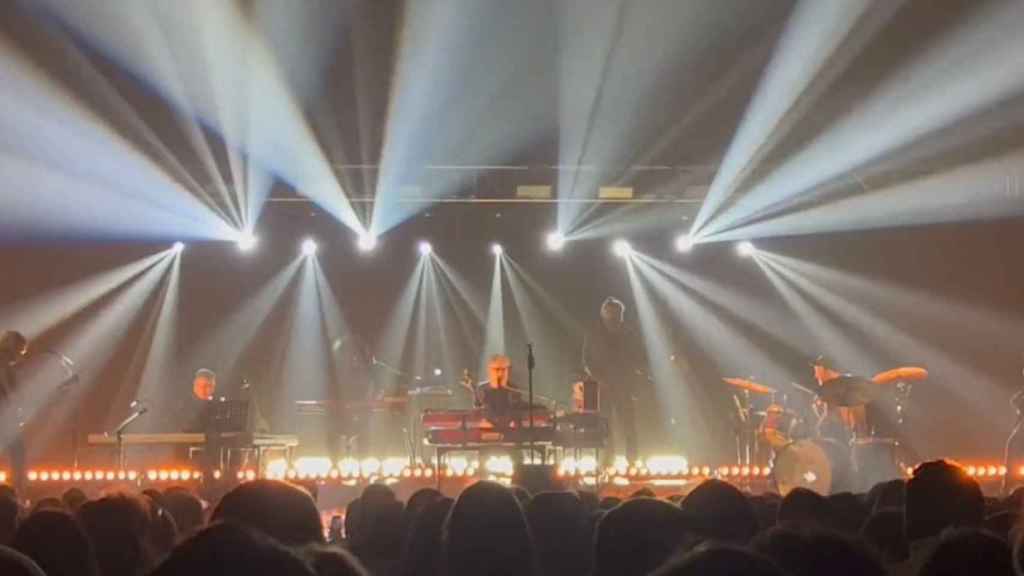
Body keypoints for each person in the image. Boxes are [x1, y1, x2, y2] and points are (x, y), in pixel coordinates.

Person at [582, 298, 645, 462]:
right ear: (603, 314)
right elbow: (586, 360)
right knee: (605, 423)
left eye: (616, 312)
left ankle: (632, 458)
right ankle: (607, 458)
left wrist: (634, 381)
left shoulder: (629, 333)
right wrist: (598, 379)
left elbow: (637, 358)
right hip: (603, 386)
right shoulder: (594, 334)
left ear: (621, 314)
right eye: (610, 312)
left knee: (628, 423)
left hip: (624, 385)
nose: (613, 316)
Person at [0, 331, 29, 494]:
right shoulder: (3, 364)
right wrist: (16, 409)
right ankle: (16, 491)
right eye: (20, 351)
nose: (20, 356)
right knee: (17, 454)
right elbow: (8, 389)